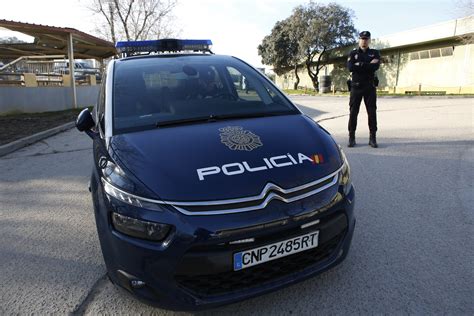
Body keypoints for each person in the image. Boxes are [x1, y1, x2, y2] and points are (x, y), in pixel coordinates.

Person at [347, 31, 380, 148]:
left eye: (366, 39)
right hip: (356, 87)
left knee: (372, 113)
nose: (364, 41)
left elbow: (375, 66)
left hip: (369, 88)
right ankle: (351, 137)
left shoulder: (375, 53)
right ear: (359, 40)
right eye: (362, 38)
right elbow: (350, 67)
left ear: (369, 40)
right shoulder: (353, 53)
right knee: (353, 113)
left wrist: (359, 65)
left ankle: (372, 138)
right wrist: (367, 65)